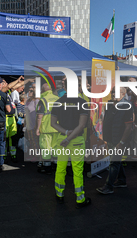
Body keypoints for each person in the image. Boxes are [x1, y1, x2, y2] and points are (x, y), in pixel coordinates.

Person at [51, 79, 91, 208]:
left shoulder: (58, 102)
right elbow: (82, 125)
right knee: (77, 170)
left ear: (65, 86)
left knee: (60, 168)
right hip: (76, 141)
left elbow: (53, 124)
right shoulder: (82, 103)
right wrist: (69, 137)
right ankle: (80, 199)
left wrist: (66, 133)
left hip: (61, 139)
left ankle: (59, 195)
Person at [96, 87, 133, 194]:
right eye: (112, 92)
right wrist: (104, 136)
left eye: (115, 92)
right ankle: (121, 181)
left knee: (114, 162)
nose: (112, 94)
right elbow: (105, 121)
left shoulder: (127, 106)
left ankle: (109, 186)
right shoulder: (109, 105)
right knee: (116, 160)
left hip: (119, 140)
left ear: (123, 94)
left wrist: (121, 142)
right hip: (111, 138)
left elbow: (128, 127)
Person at [35, 83, 59, 174]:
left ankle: (47, 168)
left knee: (46, 148)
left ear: (43, 90)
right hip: (57, 127)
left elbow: (39, 116)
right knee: (56, 148)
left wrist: (37, 128)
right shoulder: (58, 99)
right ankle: (56, 167)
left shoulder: (43, 100)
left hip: (46, 128)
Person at [25, 86, 39, 161]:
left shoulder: (36, 101)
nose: (29, 92)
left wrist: (37, 126)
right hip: (28, 124)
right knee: (31, 140)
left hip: (34, 125)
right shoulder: (28, 101)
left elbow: (38, 114)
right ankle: (33, 155)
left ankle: (36, 156)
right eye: (28, 90)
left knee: (35, 141)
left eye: (31, 91)